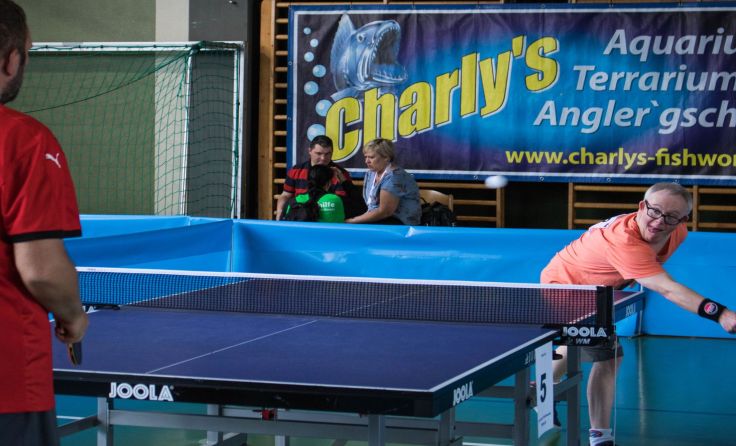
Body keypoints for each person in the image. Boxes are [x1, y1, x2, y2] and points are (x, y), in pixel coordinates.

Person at [541, 182, 736, 446]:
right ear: (642, 206)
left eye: (671, 217)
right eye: (654, 211)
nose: (659, 221)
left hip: (599, 289)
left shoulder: (678, 233)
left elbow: (651, 265)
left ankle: (546, 392)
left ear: (683, 220)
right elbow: (666, 288)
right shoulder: (624, 240)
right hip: (567, 286)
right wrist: (721, 314)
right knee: (607, 354)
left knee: (590, 347)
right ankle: (592, 430)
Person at [0, 1, 89, 444]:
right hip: (7, 381)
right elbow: (41, 271)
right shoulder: (23, 140)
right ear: (12, 59)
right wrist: (73, 315)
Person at [276, 135, 365, 220]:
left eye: (327, 154)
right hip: (301, 218)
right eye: (318, 153)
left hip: (328, 220)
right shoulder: (296, 170)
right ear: (310, 151)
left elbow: (341, 202)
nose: (323, 158)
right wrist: (280, 213)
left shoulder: (340, 174)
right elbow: (286, 195)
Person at [345, 138, 421, 225]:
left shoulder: (394, 177)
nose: (367, 161)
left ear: (386, 157)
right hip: (379, 218)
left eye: (371, 157)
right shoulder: (370, 174)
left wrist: (352, 221)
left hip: (400, 223)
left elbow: (385, 212)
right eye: (365, 157)